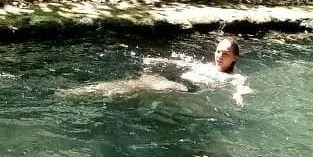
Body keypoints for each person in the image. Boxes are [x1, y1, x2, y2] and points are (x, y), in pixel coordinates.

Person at [57, 37, 254, 106]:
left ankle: (78, 93)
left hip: (185, 88)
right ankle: (83, 92)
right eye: (218, 51)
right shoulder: (206, 66)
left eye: (225, 53)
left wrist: (238, 97)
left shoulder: (236, 77)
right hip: (177, 82)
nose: (219, 56)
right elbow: (181, 63)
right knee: (135, 84)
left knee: (138, 86)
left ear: (235, 58)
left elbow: (242, 88)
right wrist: (158, 60)